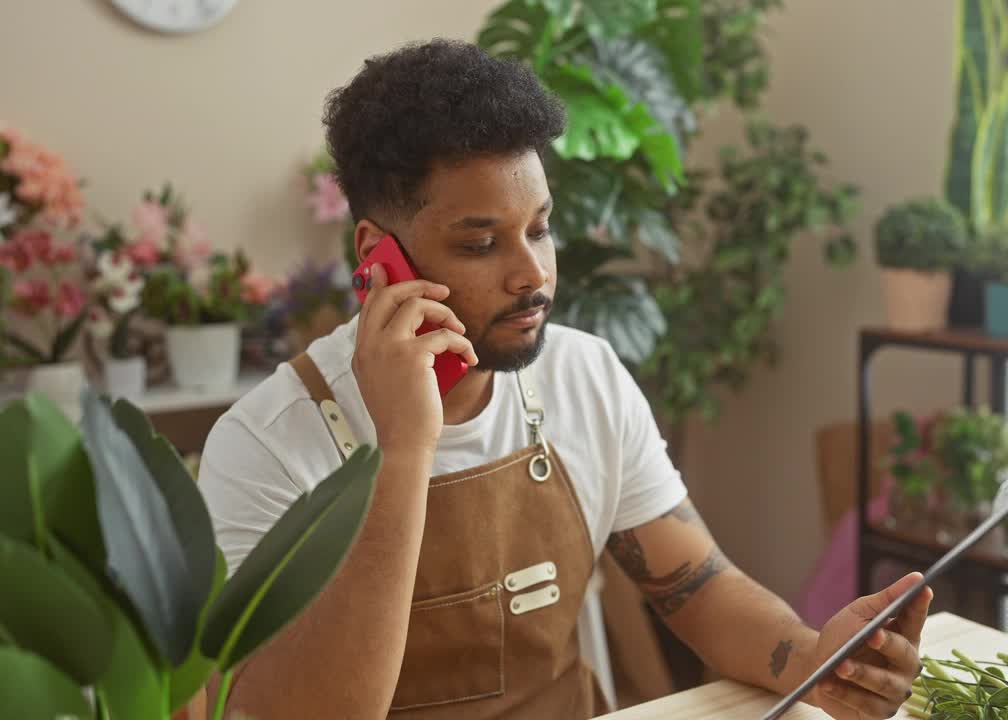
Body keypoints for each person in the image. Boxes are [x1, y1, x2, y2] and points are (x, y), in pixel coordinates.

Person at [197, 38, 932, 720]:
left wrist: (814, 659)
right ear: (378, 257)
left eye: (540, 228)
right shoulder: (264, 445)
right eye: (481, 243)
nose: (532, 274)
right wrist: (403, 450)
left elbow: (699, 589)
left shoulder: (585, 376)